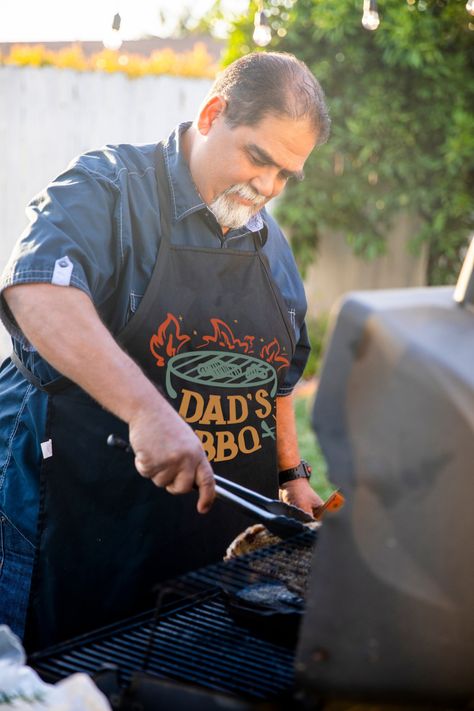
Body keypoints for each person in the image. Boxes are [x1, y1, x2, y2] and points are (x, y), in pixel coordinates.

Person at [0, 51, 330, 651]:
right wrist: (147, 411)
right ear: (211, 114)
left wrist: (291, 474)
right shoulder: (109, 187)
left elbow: (275, 374)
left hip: (198, 533)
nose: (268, 188)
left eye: (286, 174)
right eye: (259, 159)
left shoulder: (269, 244)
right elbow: (37, 288)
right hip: (74, 501)